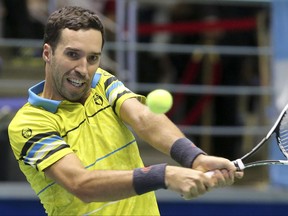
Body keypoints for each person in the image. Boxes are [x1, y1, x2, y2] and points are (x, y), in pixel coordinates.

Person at [8, 6, 243, 216]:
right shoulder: (29, 123)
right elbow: (80, 183)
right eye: (72, 55)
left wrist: (194, 157)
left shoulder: (101, 82)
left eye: (93, 58)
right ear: (47, 53)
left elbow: (142, 117)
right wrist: (163, 175)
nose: (83, 69)